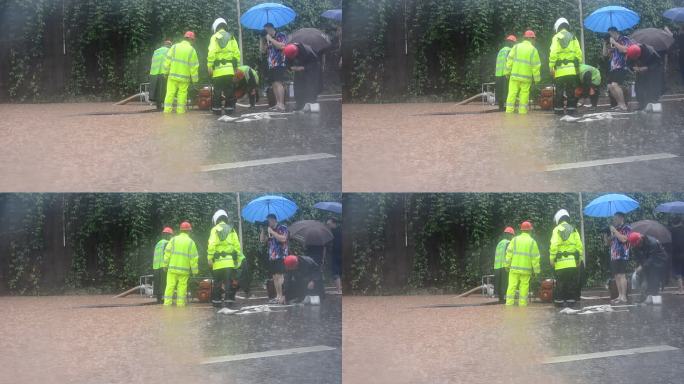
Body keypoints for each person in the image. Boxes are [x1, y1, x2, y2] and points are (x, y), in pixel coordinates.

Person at [208, 210, 245, 308]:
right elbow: (237, 246)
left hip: (217, 263)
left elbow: (211, 244)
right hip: (229, 262)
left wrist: (209, 258)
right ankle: (229, 301)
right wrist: (237, 259)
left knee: (217, 282)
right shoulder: (231, 229)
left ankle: (217, 302)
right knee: (228, 282)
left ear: (216, 219)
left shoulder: (214, 229)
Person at [549, 209, 584, 307]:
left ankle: (559, 302)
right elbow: (579, 246)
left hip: (560, 263)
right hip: (572, 262)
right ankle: (571, 301)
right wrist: (579, 259)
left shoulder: (556, 229)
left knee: (560, 282)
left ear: (558, 219)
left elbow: (554, 245)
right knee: (571, 282)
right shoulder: (574, 229)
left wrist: (552, 259)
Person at [549, 18, 583, 116]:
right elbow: (579, 53)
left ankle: (559, 110)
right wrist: (577, 65)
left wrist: (551, 66)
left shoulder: (556, 37)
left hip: (560, 71)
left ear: (557, 27)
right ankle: (571, 109)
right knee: (570, 90)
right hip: (571, 70)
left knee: (559, 91)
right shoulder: (573, 37)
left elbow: (553, 53)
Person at [208, 18, 241, 116]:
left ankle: (217, 109)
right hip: (229, 70)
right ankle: (229, 109)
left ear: (216, 27)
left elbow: (212, 52)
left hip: (218, 70)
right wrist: (237, 67)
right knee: (229, 90)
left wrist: (209, 65)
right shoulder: (231, 37)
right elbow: (237, 53)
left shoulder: (214, 37)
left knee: (217, 90)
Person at [505, 30, 541, 115]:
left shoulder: (516, 47)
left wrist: (507, 72)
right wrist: (537, 79)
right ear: (532, 39)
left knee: (512, 93)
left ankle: (509, 111)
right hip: (526, 78)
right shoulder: (533, 50)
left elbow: (509, 60)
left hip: (514, 76)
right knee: (524, 94)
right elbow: (536, 66)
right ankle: (522, 112)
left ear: (525, 38)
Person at [505, 221, 541, 307]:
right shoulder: (532, 242)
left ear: (521, 230)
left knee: (511, 286)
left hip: (514, 269)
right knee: (524, 287)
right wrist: (536, 271)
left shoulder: (515, 240)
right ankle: (522, 305)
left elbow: (509, 253)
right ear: (530, 231)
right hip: (526, 270)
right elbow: (535, 258)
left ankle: (509, 304)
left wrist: (507, 265)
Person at [163, 221, 199, 307]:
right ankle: (180, 304)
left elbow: (167, 253)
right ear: (189, 231)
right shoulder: (191, 242)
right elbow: (193, 258)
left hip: (172, 269)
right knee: (182, 287)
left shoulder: (173, 240)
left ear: (180, 230)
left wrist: (165, 265)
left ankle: (167, 304)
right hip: (184, 270)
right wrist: (195, 271)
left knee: (170, 286)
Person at [163, 31, 199, 114]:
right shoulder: (191, 50)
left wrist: (165, 72)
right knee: (182, 95)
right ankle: (180, 112)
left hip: (172, 76)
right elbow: (194, 67)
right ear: (192, 40)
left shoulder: (175, 47)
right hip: (184, 78)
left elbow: (167, 61)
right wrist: (195, 80)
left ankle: (167, 112)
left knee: (170, 93)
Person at [628, 232, 668, 305]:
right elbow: (638, 258)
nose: (634, 246)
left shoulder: (652, 242)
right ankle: (644, 296)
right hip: (647, 261)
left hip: (658, 261)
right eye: (633, 245)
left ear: (639, 240)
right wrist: (638, 266)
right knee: (641, 277)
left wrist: (642, 266)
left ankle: (653, 297)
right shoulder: (635, 246)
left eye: (635, 244)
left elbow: (652, 258)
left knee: (653, 278)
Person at [603, 27, 634, 111]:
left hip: (622, 65)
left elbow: (625, 50)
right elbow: (605, 55)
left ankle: (623, 105)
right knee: (610, 86)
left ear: (615, 32)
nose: (610, 36)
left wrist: (615, 43)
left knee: (615, 85)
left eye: (610, 34)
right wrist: (605, 43)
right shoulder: (612, 43)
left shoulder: (624, 39)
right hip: (613, 67)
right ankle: (619, 104)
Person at [283, 43, 322, 111]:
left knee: (310, 86)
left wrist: (303, 68)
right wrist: (291, 68)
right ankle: (299, 104)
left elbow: (315, 63)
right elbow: (287, 64)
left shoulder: (307, 51)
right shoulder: (288, 52)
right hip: (298, 70)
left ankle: (311, 103)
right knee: (298, 87)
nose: (292, 58)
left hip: (311, 71)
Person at [260, 213, 289, 304]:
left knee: (280, 276)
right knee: (275, 277)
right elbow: (262, 241)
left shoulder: (282, 228)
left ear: (274, 220)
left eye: (269, 220)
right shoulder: (269, 230)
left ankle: (282, 296)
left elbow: (283, 239)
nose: (268, 222)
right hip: (272, 256)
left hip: (281, 255)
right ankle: (278, 296)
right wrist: (263, 231)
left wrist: (272, 232)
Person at [603, 212, 631, 304]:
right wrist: (606, 235)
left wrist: (614, 231)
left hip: (623, 255)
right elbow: (607, 244)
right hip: (614, 255)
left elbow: (624, 239)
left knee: (622, 275)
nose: (614, 220)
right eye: (614, 219)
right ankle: (619, 296)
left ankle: (624, 296)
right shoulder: (616, 229)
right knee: (616, 276)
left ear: (621, 218)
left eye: (616, 218)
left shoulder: (627, 227)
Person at [260, 23, 288, 112]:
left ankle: (282, 104)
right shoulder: (267, 39)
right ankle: (278, 103)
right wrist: (262, 40)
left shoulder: (280, 35)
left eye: (267, 30)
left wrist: (271, 39)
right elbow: (263, 51)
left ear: (271, 28)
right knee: (274, 84)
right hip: (271, 64)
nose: (266, 32)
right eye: (265, 30)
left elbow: (282, 46)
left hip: (280, 63)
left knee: (278, 82)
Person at [626, 44, 664, 109]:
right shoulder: (630, 53)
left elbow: (658, 63)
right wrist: (633, 68)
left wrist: (647, 68)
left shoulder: (650, 52)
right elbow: (629, 64)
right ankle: (641, 104)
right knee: (638, 87)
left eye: (635, 58)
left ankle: (652, 102)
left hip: (653, 71)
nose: (635, 59)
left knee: (651, 86)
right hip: (640, 71)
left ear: (639, 54)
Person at [495, 35, 517, 111]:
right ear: (511, 43)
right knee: (507, 91)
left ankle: (500, 107)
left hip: (498, 74)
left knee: (500, 91)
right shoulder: (510, 50)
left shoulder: (501, 50)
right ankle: (508, 107)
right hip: (505, 74)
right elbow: (510, 63)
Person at [149, 39, 172, 111]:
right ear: (169, 45)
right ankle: (164, 106)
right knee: (163, 90)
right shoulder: (169, 51)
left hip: (154, 72)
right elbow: (169, 62)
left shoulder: (156, 51)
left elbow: (152, 61)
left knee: (156, 90)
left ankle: (158, 106)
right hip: (163, 72)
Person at [152, 226, 174, 303]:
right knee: (163, 283)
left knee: (157, 282)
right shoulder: (166, 243)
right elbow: (167, 255)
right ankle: (164, 299)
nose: (171, 237)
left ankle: (158, 299)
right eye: (171, 235)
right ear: (168, 235)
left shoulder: (158, 243)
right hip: (163, 266)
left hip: (156, 266)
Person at [493, 226, 515, 303]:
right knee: (504, 283)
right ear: (509, 235)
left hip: (497, 266)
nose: (512, 237)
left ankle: (500, 298)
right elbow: (508, 255)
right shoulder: (508, 243)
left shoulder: (500, 243)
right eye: (512, 235)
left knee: (498, 283)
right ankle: (503, 299)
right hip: (504, 266)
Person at [326, 217, 342, 294]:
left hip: (337, 253)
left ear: (333, 223)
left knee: (336, 272)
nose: (328, 225)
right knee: (337, 271)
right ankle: (339, 289)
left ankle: (339, 290)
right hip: (336, 253)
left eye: (329, 224)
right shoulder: (337, 230)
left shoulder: (333, 232)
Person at [669, 216, 684, 294]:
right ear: (681, 222)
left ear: (673, 223)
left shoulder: (672, 231)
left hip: (676, 254)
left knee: (678, 272)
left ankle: (681, 290)